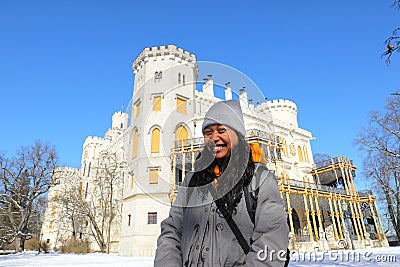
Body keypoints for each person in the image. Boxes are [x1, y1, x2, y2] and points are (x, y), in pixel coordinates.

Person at [155, 100, 289, 266]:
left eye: (222, 130)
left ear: (238, 135)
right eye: (208, 132)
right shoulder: (192, 179)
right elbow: (172, 230)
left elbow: (271, 241)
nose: (214, 138)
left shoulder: (259, 179)